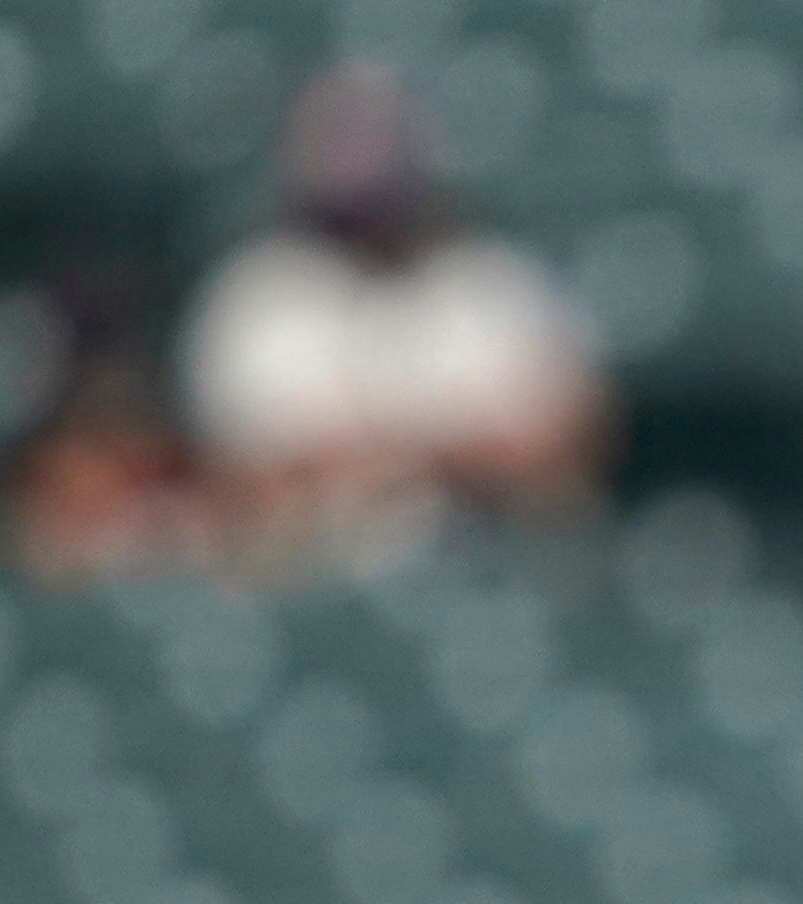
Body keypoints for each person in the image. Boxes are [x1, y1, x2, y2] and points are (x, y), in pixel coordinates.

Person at [181, 63, 612, 572]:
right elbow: (227, 470)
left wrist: (410, 457)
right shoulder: (260, 292)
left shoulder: (490, 282)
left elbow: (576, 436)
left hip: (488, 563)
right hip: (312, 571)